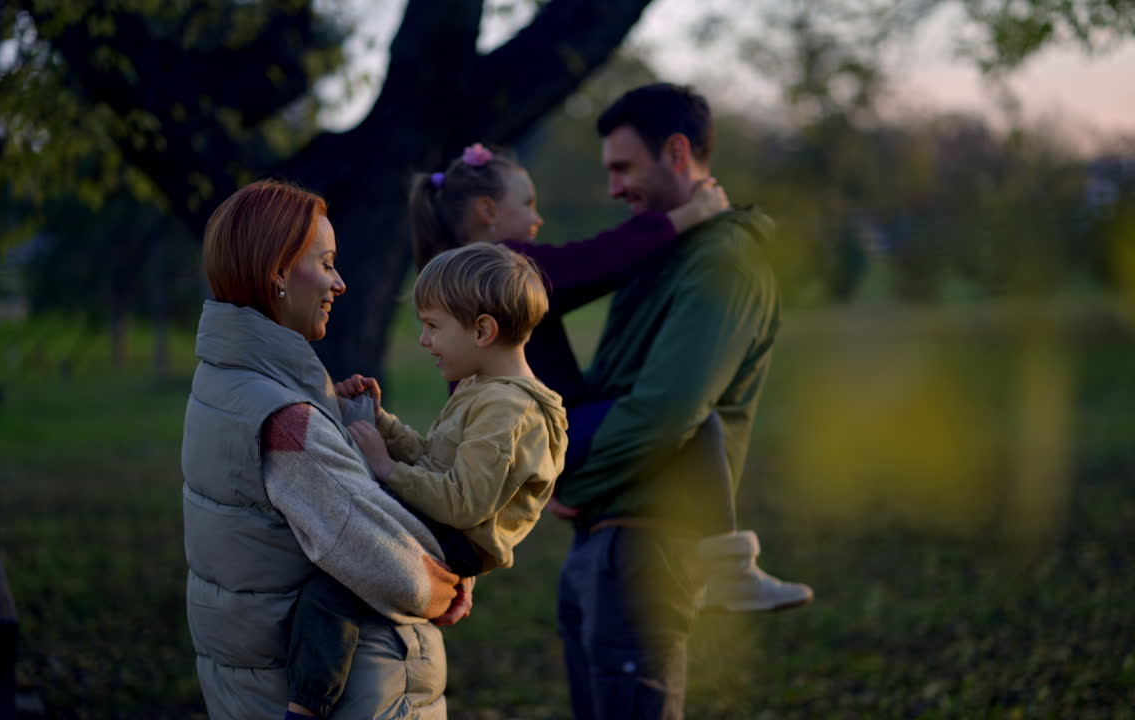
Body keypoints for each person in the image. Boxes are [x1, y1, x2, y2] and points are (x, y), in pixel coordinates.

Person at [408, 142, 810, 614]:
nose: (537, 218)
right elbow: (599, 258)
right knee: (695, 423)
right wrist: (691, 214)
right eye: (528, 203)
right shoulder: (500, 273)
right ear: (488, 211)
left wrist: (545, 474)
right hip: (543, 427)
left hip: (533, 433)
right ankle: (731, 574)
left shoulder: (462, 284)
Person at [181, 180, 469, 720]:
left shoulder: (221, 381)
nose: (340, 282)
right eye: (326, 263)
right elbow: (395, 570)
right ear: (278, 274)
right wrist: (452, 582)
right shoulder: (288, 423)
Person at [553, 82, 794, 719]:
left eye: (623, 168)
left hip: (647, 545)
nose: (613, 188)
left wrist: (575, 485)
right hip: (602, 540)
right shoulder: (663, 251)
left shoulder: (724, 263)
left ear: (678, 153)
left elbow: (666, 414)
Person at [283, 241, 569, 718]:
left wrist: (386, 468)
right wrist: (380, 422)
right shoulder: (483, 388)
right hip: (444, 523)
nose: (423, 340)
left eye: (433, 326)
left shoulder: (507, 409)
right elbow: (435, 463)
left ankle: (307, 706)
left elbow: (463, 503)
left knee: (336, 580)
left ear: (482, 330)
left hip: (455, 539)